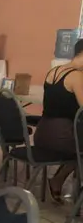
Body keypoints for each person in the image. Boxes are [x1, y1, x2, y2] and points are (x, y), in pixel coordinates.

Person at [37, 40, 83, 202]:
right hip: (62, 135)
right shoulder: (77, 76)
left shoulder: (54, 71)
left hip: (42, 132)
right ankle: (65, 184)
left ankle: (58, 181)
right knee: (81, 151)